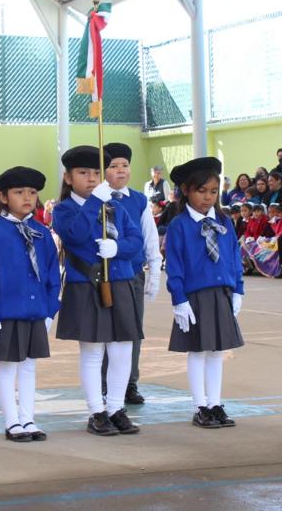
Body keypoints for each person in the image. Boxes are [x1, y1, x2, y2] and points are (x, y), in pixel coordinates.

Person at [52, 146, 143, 437]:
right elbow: (75, 235)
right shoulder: (64, 209)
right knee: (92, 352)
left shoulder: (113, 206)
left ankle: (116, 407)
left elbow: (135, 239)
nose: (91, 179)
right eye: (83, 173)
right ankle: (96, 411)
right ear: (68, 177)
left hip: (121, 282)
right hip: (86, 285)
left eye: (95, 173)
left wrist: (118, 248)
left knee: (121, 350)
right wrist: (94, 204)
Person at [0, 166, 60, 442]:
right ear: (2, 196)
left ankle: (28, 418)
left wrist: (50, 309)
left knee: (29, 365)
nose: (27, 197)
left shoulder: (41, 232)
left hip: (35, 312)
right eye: (19, 192)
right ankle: (12, 421)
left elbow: (51, 273)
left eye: (33, 192)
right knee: (8, 365)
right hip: (5, 312)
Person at [164, 156, 245, 429]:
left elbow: (234, 256)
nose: (208, 198)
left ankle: (216, 403)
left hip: (221, 293)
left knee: (216, 352)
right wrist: (179, 299)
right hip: (194, 296)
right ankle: (200, 405)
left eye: (213, 191)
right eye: (201, 191)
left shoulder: (223, 220)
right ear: (186, 190)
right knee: (198, 352)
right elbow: (174, 265)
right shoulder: (179, 225)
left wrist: (238, 289)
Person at [101, 142, 162, 405]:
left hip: (132, 273)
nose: (120, 171)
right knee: (103, 332)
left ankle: (129, 384)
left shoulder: (138, 200)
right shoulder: (97, 197)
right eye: (113, 166)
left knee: (132, 331)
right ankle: (104, 384)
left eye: (125, 165)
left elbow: (149, 237)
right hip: (102, 275)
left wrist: (155, 271)